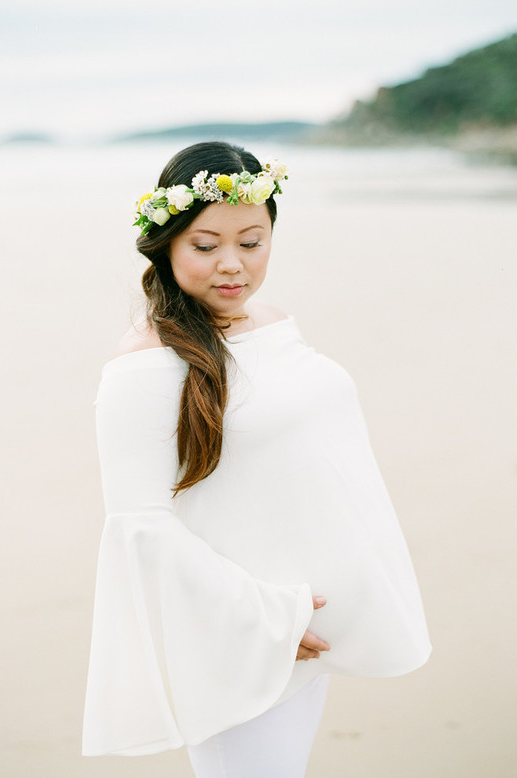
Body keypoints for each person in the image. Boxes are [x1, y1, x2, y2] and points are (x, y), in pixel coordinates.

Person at [82, 141, 431, 777]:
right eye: (205, 245)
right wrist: (269, 618)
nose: (232, 265)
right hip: (244, 630)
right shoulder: (141, 365)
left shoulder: (268, 319)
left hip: (308, 614)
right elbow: (139, 526)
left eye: (252, 240)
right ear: (166, 243)